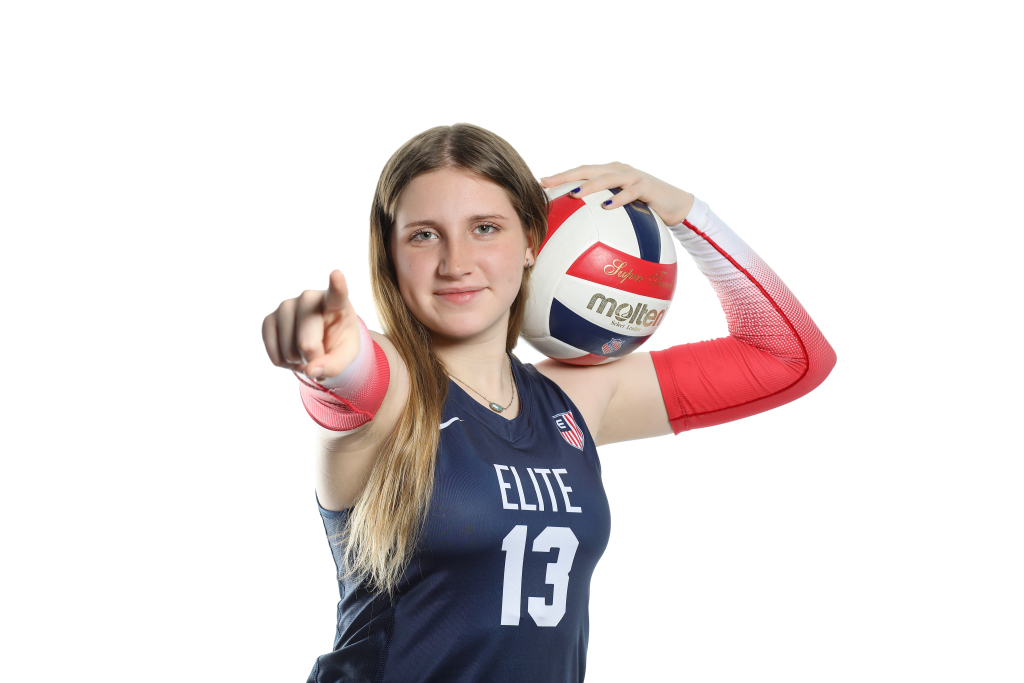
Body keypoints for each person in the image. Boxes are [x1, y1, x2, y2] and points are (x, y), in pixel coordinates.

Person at [261, 123, 836, 683]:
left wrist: (689, 215)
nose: (455, 262)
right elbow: (357, 379)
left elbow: (791, 357)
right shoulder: (396, 388)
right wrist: (328, 356)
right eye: (424, 235)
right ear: (390, 253)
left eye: (485, 228)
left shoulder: (572, 398)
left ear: (533, 243)